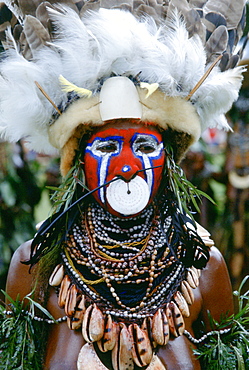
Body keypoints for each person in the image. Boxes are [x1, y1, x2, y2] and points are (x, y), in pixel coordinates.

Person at [0, 1, 247, 369]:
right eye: (106, 147)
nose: (127, 167)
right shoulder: (34, 266)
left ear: (169, 163)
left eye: (145, 146)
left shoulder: (205, 268)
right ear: (78, 160)